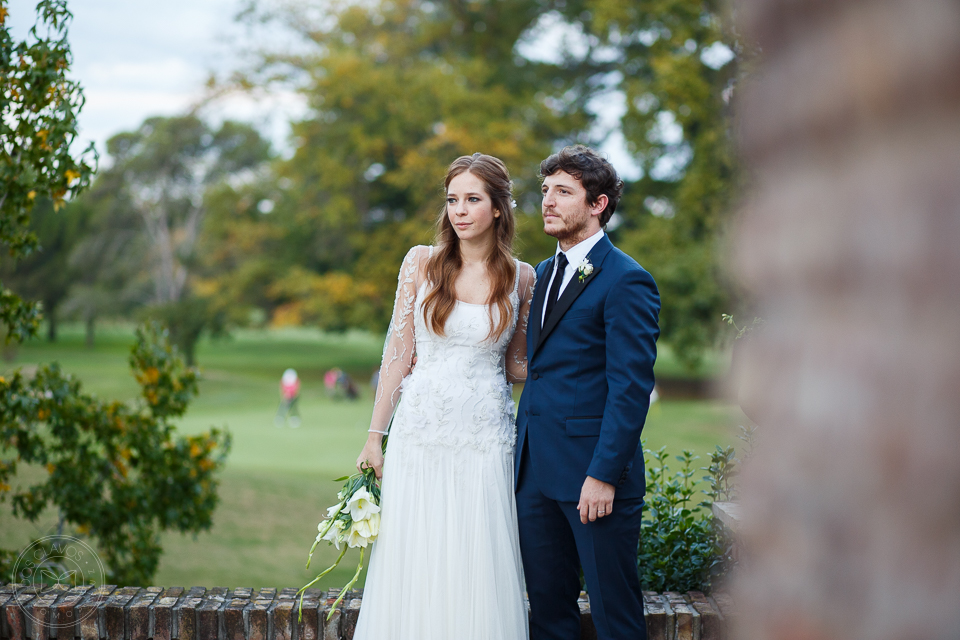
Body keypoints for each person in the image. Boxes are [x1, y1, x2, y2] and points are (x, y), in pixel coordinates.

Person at [352, 153, 536, 639]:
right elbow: (398, 354)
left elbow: (517, 365)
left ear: (498, 208)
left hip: (484, 438)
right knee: (415, 559)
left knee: (476, 561)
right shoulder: (421, 263)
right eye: (453, 199)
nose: (460, 210)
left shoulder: (522, 277)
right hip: (420, 434)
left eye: (473, 199)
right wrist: (375, 437)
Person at [515, 145, 660, 640]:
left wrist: (602, 475)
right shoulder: (543, 272)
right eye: (545, 191)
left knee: (615, 617)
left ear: (597, 204)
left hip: (593, 484)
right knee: (549, 617)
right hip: (534, 476)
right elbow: (541, 370)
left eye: (563, 192)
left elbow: (630, 388)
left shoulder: (627, 280)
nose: (547, 203)